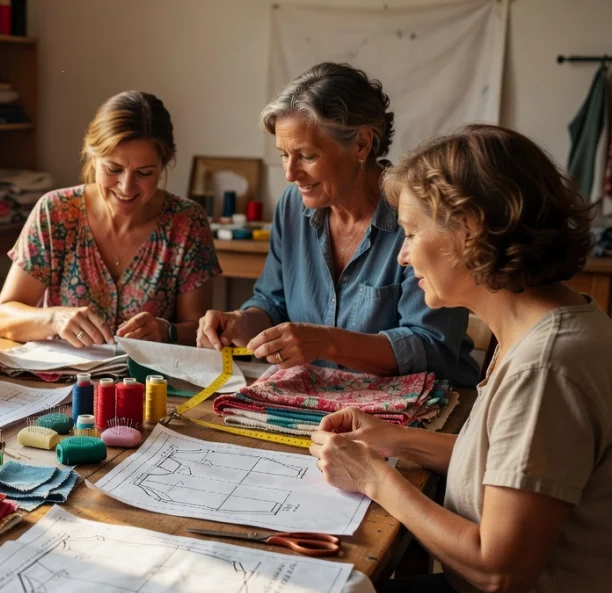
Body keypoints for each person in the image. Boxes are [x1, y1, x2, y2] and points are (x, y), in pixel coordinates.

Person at [311, 125, 611, 593]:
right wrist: (393, 440)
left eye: (410, 233)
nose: (402, 257)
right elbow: (515, 473)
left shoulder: (547, 366)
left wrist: (375, 478)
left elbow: (500, 570)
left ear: (468, 231)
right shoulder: (541, 329)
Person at [198, 63, 479, 387]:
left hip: (423, 413)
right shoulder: (292, 207)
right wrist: (241, 322)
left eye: (306, 155)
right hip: (325, 406)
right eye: (283, 155)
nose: (290, 174)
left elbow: (433, 347)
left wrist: (328, 342)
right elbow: (274, 303)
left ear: (361, 144)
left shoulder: (422, 217)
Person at [0, 91, 220, 347]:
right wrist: (55, 318)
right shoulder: (55, 212)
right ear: (92, 157)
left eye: (144, 173)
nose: (126, 187)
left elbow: (201, 331)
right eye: (113, 170)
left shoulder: (187, 222)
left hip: (150, 384)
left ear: (163, 165)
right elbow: (3, 318)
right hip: (64, 381)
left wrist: (167, 331)